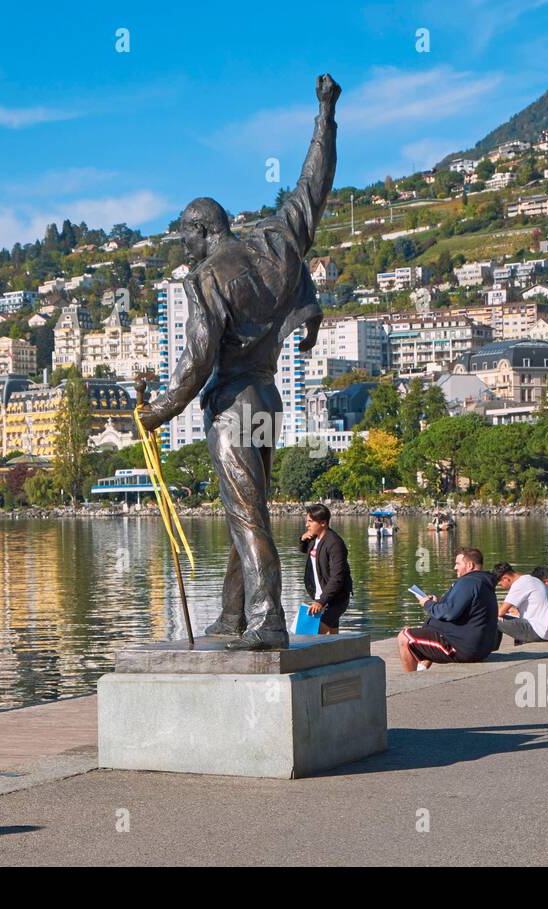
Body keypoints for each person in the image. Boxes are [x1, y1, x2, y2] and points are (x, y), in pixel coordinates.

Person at [135, 75, 340, 651]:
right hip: (270, 401)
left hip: (232, 403)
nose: (185, 251)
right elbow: (313, 185)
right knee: (243, 506)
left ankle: (266, 618)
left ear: (203, 231)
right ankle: (233, 613)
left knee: (247, 514)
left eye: (185, 240)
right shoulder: (277, 244)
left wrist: (159, 410)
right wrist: (324, 116)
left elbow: (198, 358)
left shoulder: (208, 277)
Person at [396, 548, 500, 671]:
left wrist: (427, 604)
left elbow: (449, 613)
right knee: (432, 628)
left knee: (405, 637)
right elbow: (457, 609)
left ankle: (410, 683)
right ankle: (422, 668)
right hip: (480, 648)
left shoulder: (468, 582)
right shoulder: (482, 582)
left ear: (470, 565)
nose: (455, 568)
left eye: (457, 564)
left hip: (464, 649)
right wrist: (437, 603)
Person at [298, 503, 352, 634]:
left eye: (310, 521)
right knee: (331, 636)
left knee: (312, 634)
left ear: (323, 523)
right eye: (307, 521)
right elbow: (306, 550)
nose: (307, 525)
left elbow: (337, 578)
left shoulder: (335, 544)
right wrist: (302, 540)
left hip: (336, 599)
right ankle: (338, 653)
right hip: (321, 597)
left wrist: (321, 602)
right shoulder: (314, 538)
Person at [492, 562, 548, 644]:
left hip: (537, 631)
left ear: (505, 578)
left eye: (501, 584)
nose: (502, 587)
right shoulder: (532, 579)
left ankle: (489, 649)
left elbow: (500, 612)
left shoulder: (520, 584)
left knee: (491, 617)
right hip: (545, 631)